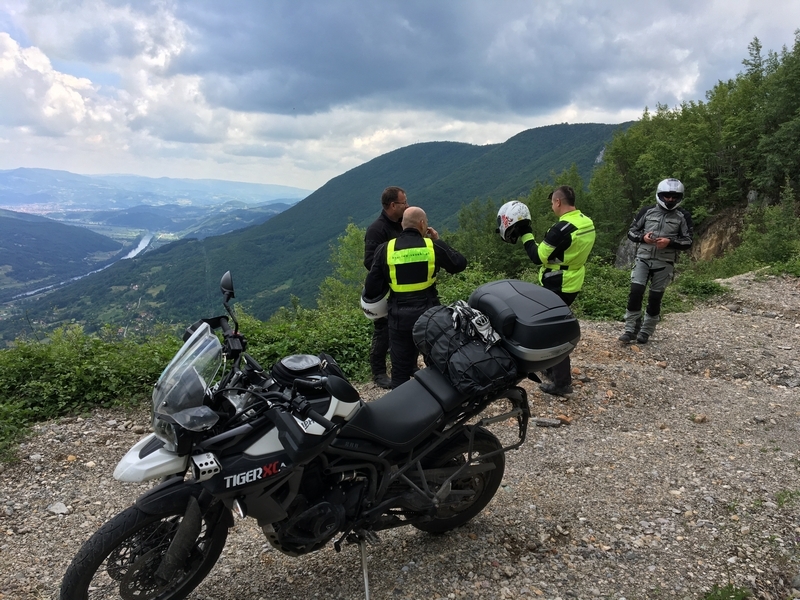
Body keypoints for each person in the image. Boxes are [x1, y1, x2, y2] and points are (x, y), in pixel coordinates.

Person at [497, 185, 596, 397]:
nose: (552, 206)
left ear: (558, 202)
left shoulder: (561, 229)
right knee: (554, 323)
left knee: (553, 330)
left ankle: (562, 383)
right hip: (574, 280)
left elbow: (537, 257)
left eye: (552, 203)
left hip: (557, 283)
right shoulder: (586, 222)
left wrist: (526, 234)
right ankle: (551, 368)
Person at [364, 206, 467, 389]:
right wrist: (437, 240)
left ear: (402, 225)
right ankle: (438, 400)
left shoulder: (385, 249)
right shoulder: (432, 246)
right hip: (429, 317)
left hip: (399, 319)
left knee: (400, 373)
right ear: (422, 224)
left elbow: (372, 288)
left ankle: (402, 404)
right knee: (437, 366)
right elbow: (459, 264)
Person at [619, 177, 693, 344]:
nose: (670, 199)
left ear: (679, 197)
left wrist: (670, 242)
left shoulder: (683, 216)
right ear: (660, 195)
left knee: (655, 298)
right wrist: (643, 238)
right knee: (635, 292)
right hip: (643, 258)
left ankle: (646, 331)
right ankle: (630, 329)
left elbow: (688, 241)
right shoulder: (647, 211)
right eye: (667, 196)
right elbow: (631, 232)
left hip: (664, 262)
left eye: (674, 197)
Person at [363, 186, 407, 388]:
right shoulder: (377, 229)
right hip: (384, 289)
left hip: (403, 286)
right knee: (383, 330)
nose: (407, 205)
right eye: (403, 203)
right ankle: (379, 372)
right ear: (393, 205)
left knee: (406, 326)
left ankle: (409, 365)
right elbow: (369, 261)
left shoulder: (402, 224)